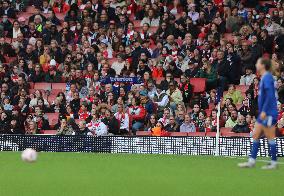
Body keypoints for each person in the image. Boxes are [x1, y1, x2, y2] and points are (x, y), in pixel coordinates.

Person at [238, 58, 278, 169]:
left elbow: (270, 96)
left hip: (268, 113)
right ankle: (251, 161)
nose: (256, 64)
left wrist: (264, 111)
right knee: (255, 135)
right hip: (264, 112)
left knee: (270, 137)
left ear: (262, 66)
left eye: (258, 63)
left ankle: (274, 163)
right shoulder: (264, 78)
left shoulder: (267, 78)